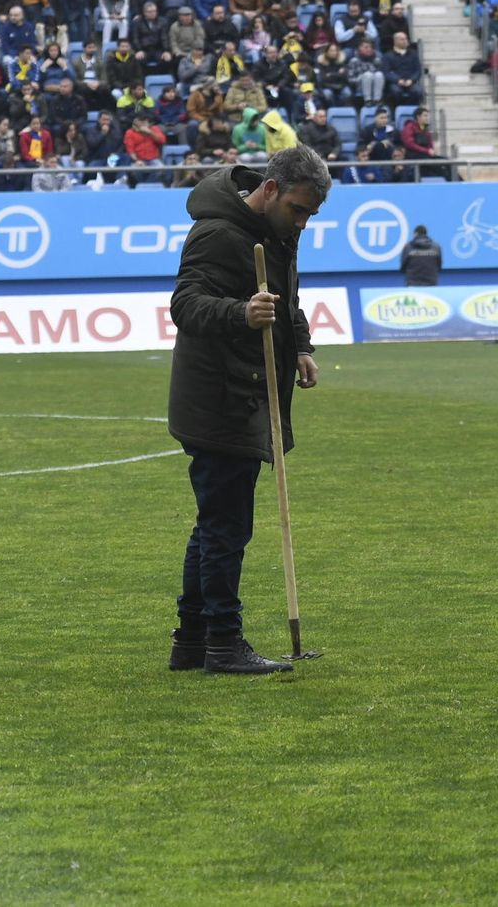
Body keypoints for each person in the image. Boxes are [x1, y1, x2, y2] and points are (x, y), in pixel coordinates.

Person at [166, 146, 334, 674]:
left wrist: (300, 345)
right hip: (219, 397)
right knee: (226, 527)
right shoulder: (217, 234)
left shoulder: (278, 235)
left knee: (216, 523)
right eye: (298, 210)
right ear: (269, 190)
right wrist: (240, 312)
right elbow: (185, 305)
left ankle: (193, 641)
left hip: (249, 392)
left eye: (310, 214)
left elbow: (287, 301)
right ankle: (223, 642)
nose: (303, 223)